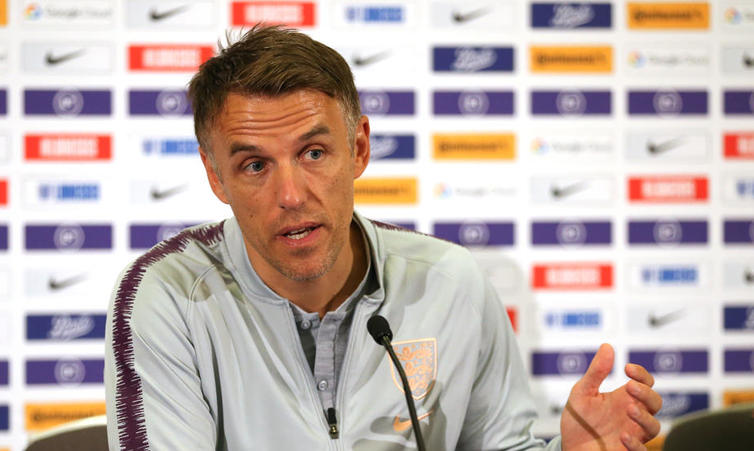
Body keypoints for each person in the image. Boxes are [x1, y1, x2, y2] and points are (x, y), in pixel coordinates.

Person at [104, 26, 662, 450]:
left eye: (314, 153)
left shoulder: (451, 281)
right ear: (215, 175)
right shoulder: (168, 295)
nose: (292, 194)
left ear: (361, 148)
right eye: (254, 165)